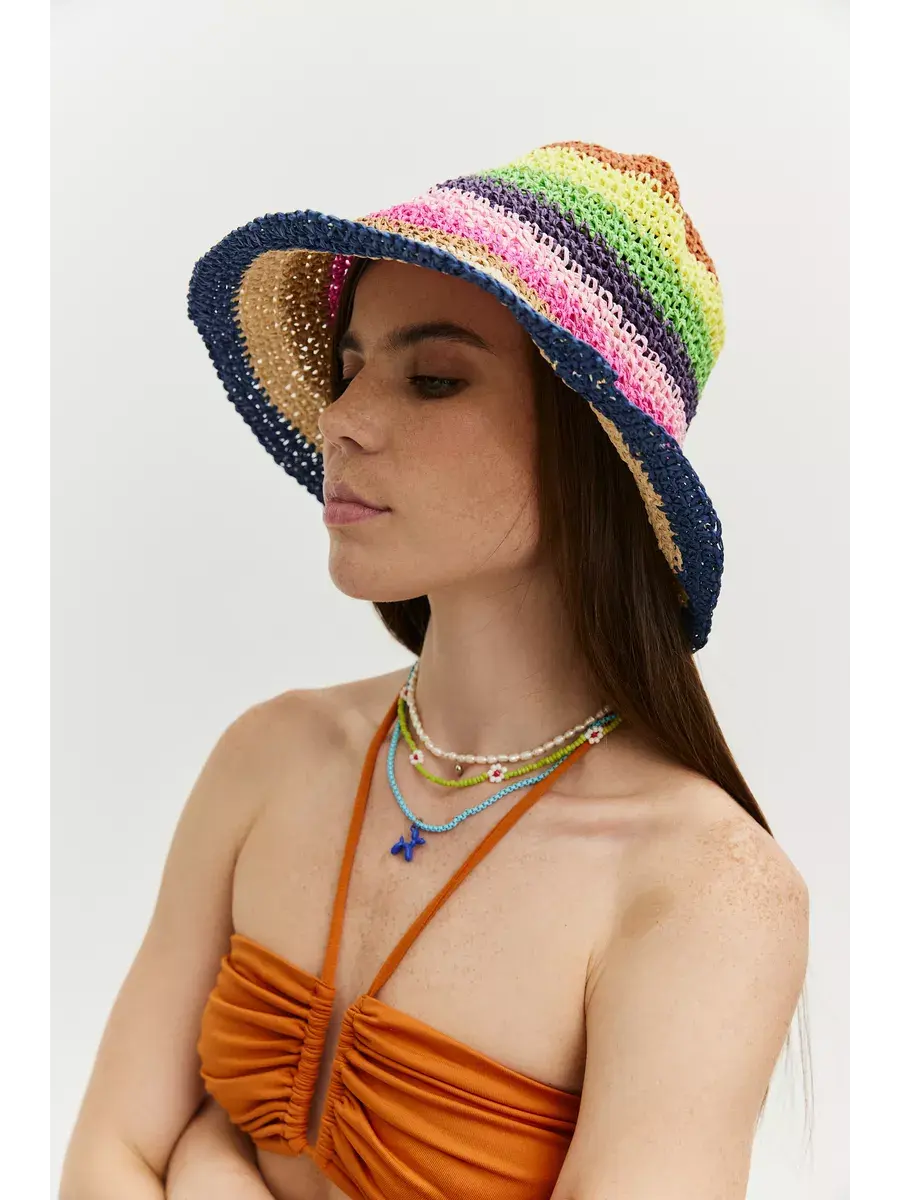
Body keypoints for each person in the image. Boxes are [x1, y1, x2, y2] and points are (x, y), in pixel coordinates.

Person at [60, 140, 810, 1200]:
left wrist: (211, 1160)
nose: (343, 421)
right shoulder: (270, 756)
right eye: (349, 367)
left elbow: (148, 1152)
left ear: (592, 445)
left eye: (435, 379)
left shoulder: (705, 889)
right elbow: (104, 1161)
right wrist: (176, 1154)